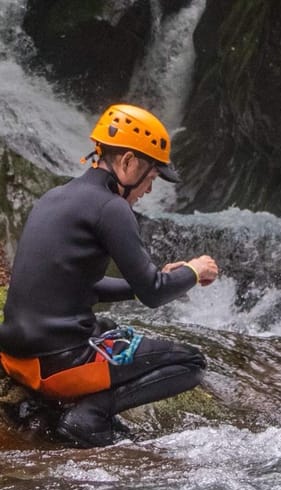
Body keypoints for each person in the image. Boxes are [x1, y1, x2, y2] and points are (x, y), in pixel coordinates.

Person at [0, 103, 219, 448]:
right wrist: (194, 271)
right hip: (55, 366)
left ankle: (77, 406)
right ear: (129, 162)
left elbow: (81, 284)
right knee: (190, 361)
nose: (149, 189)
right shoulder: (111, 208)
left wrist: (145, 282)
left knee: (111, 330)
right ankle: (90, 416)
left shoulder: (55, 196)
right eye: (150, 177)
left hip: (14, 357)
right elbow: (154, 294)